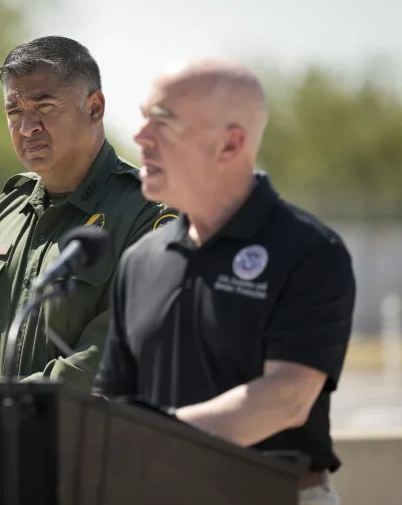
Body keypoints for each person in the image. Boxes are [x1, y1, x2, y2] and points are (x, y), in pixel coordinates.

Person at [92, 58, 356, 505]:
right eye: (142, 118)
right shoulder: (141, 259)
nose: (139, 138)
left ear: (230, 144)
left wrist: (153, 439)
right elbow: (114, 400)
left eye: (163, 122)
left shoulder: (309, 251)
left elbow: (284, 399)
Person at [0, 36, 177, 388]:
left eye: (44, 106)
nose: (26, 127)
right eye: (13, 111)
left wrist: (10, 407)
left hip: (81, 435)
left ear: (94, 107)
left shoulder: (147, 215)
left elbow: (116, 349)